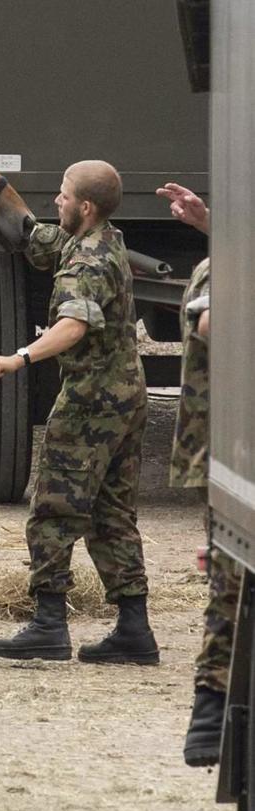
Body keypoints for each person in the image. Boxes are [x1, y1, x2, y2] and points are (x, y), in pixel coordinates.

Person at [0, 160, 157, 664]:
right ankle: (134, 631)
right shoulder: (105, 240)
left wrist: (19, 358)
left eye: (61, 196)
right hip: (127, 398)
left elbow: (73, 326)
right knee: (112, 514)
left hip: (90, 404)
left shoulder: (85, 266)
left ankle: (49, 624)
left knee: (54, 510)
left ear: (85, 206)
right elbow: (46, 242)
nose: (54, 201)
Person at [157, 182, 235, 768]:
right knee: (233, 585)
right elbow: (210, 327)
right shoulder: (221, 268)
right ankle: (210, 706)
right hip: (237, 453)